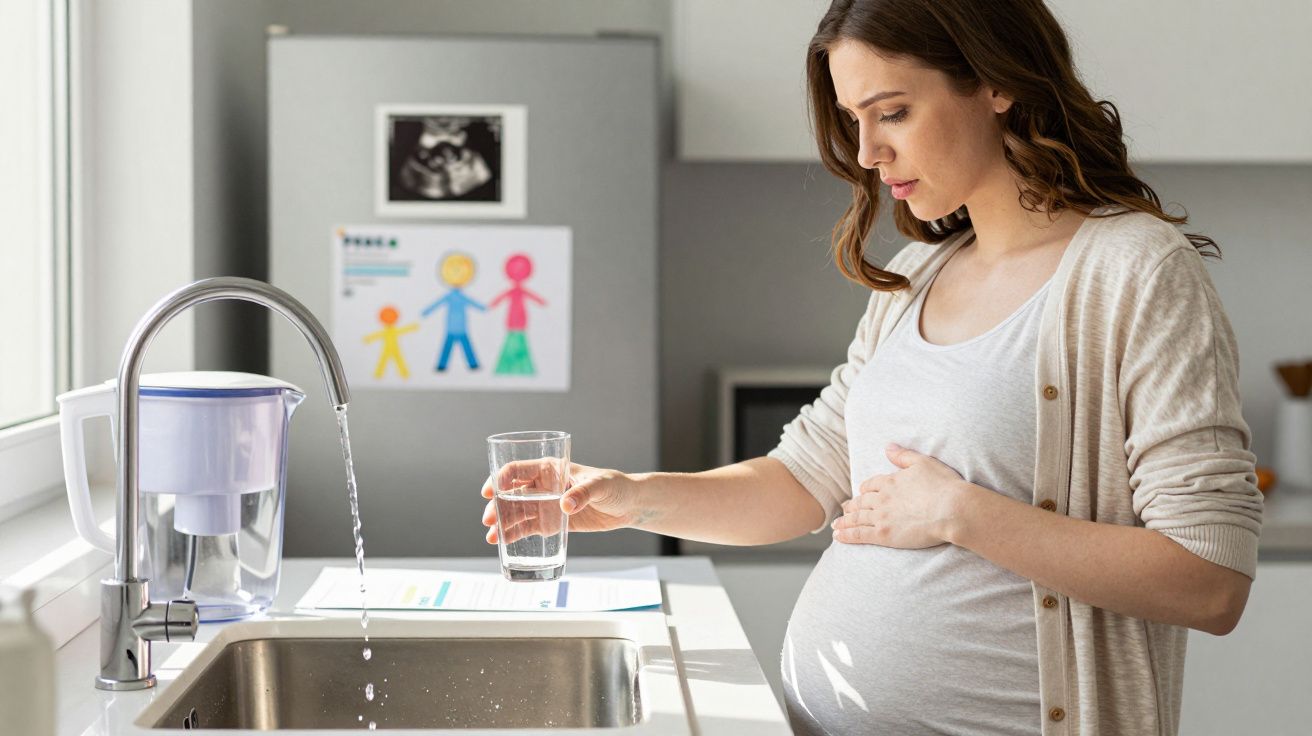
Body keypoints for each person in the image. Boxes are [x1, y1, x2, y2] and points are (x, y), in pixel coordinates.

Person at [478, 0, 1263, 733]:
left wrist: (962, 513)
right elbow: (802, 481)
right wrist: (630, 496)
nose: (866, 151)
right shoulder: (918, 272)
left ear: (995, 81)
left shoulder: (1134, 272)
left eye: (892, 112)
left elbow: (1209, 577)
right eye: (856, 120)